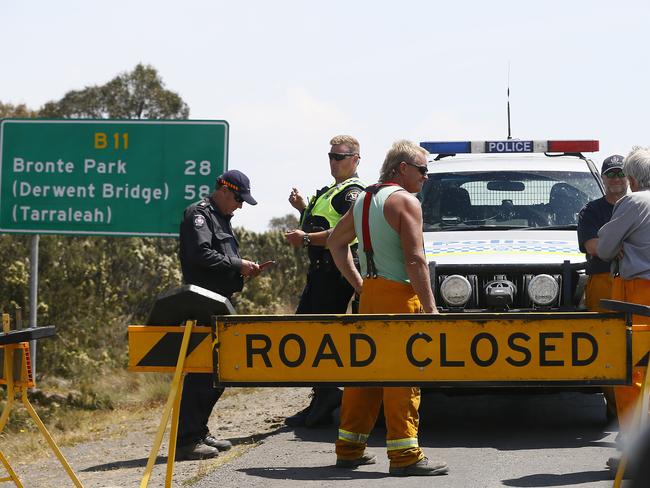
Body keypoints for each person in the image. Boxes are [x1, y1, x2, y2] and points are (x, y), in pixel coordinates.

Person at [328, 140, 449, 476]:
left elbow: (337, 245)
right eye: (422, 170)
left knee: (365, 373)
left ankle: (349, 449)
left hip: (371, 297)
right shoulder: (405, 202)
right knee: (402, 377)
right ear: (403, 169)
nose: (426, 177)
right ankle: (406, 455)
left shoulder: (364, 199)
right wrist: (431, 308)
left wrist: (360, 285)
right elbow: (414, 258)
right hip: (400, 297)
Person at [176, 169, 262, 460]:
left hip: (219, 303)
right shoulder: (198, 215)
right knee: (202, 372)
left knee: (220, 371)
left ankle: (199, 431)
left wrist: (240, 270)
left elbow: (220, 260)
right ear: (224, 190)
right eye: (238, 200)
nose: (239, 206)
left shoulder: (222, 218)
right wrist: (238, 264)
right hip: (201, 304)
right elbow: (200, 255)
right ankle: (187, 440)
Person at [283, 135, 365, 427]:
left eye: (340, 157)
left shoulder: (352, 192)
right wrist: (302, 208)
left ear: (355, 159)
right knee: (310, 333)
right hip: (322, 270)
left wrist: (305, 237)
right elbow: (323, 223)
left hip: (336, 272)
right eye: (330, 156)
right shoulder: (335, 190)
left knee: (314, 334)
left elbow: (347, 233)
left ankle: (327, 394)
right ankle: (322, 395)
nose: (333, 162)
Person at [596, 147, 650, 475]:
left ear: (630, 178)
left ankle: (634, 452)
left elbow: (604, 249)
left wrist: (609, 235)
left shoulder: (633, 203)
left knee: (632, 370)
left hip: (638, 295)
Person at [577, 154, 628, 420]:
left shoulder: (638, 206)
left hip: (635, 281)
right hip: (602, 282)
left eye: (621, 173)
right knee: (607, 346)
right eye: (611, 174)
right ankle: (616, 407)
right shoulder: (591, 211)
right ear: (602, 179)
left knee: (637, 346)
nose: (617, 179)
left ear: (629, 177)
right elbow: (593, 247)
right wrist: (622, 248)